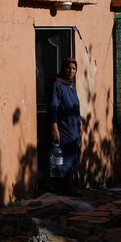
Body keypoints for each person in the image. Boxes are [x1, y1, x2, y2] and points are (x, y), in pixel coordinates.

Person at [48, 58, 81, 190]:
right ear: (63, 69)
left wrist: (80, 126)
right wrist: (54, 128)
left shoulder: (71, 85)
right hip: (64, 127)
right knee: (64, 157)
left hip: (74, 127)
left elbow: (76, 107)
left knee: (74, 155)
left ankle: (68, 185)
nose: (71, 71)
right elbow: (53, 107)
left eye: (74, 69)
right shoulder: (57, 84)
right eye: (68, 68)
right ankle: (65, 186)